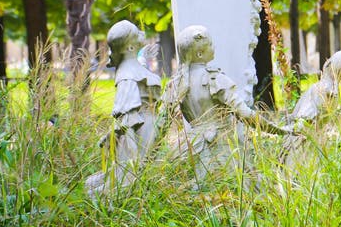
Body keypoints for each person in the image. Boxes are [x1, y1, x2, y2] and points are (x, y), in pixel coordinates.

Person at [162, 24, 291, 177]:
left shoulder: (176, 85)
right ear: (199, 54)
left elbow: (161, 124)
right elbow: (246, 114)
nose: (214, 46)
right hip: (223, 149)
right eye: (210, 44)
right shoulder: (215, 79)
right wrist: (277, 130)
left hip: (193, 149)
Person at [86, 20, 161, 195]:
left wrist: (110, 137)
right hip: (145, 130)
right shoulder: (131, 74)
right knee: (122, 179)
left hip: (142, 130)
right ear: (131, 48)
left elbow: (128, 118)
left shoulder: (127, 72)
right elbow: (128, 117)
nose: (141, 34)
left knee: (131, 179)